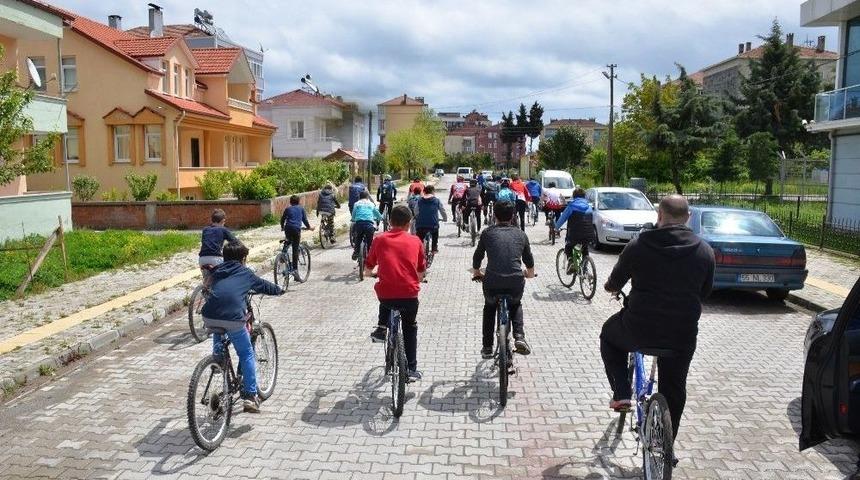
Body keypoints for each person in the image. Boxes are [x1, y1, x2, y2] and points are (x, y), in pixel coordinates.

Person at [601, 194, 715, 441]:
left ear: (659, 215)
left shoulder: (638, 245)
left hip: (638, 329)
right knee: (674, 387)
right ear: (688, 217)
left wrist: (610, 287)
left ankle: (622, 392)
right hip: (681, 334)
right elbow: (705, 292)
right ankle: (665, 445)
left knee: (608, 336)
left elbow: (615, 281)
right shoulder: (704, 250)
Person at [201, 241, 284, 413]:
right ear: (243, 259)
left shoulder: (217, 271)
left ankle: (218, 360)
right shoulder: (245, 273)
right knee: (246, 353)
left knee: (219, 327)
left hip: (208, 315)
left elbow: (207, 287)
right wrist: (279, 289)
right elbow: (264, 285)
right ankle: (250, 396)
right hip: (233, 319)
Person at [365, 205, 427, 381]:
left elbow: (368, 267)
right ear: (409, 224)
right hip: (409, 295)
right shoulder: (416, 241)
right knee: (410, 327)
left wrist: (372, 274)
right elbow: (421, 271)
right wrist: (419, 278)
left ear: (390, 222)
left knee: (385, 296)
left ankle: (382, 327)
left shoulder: (379, 239)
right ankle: (412, 368)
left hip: (386, 295)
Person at [471, 200, 535, 359]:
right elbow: (529, 260)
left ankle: (487, 347)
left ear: (494, 215)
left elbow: (478, 256)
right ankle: (519, 336)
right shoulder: (521, 234)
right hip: (515, 282)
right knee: (515, 304)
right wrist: (530, 273)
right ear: (513, 216)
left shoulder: (487, 233)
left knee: (489, 308)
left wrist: (477, 272)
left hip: (492, 281)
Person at [554, 187, 595, 275]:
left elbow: (562, 219)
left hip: (575, 235)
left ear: (574, 196)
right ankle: (585, 268)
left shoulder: (571, 206)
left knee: (569, 246)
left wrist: (556, 228)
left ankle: (572, 262)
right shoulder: (589, 207)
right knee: (585, 248)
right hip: (589, 234)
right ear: (584, 197)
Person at [280, 195, 315, 281]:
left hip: (288, 228)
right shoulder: (301, 209)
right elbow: (304, 220)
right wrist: (309, 227)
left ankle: (282, 256)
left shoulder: (288, 209)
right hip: (296, 229)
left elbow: (282, 219)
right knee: (295, 249)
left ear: (290, 202)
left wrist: (282, 227)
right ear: (299, 202)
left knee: (287, 242)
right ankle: (295, 270)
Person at [414, 184, 447, 254]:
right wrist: (444, 218)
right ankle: (434, 248)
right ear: (433, 191)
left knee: (419, 238)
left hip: (421, 225)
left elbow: (416, 211)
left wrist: (417, 217)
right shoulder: (437, 200)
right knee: (435, 233)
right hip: (433, 224)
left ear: (425, 192)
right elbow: (442, 211)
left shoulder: (419, 200)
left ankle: (417, 249)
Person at [351, 190, 382, 261]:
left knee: (358, 238)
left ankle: (356, 252)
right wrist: (381, 218)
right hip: (369, 225)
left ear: (359, 197)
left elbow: (354, 213)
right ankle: (371, 257)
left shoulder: (357, 203)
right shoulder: (371, 204)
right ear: (367, 197)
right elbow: (377, 213)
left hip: (359, 224)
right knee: (370, 242)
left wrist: (353, 219)